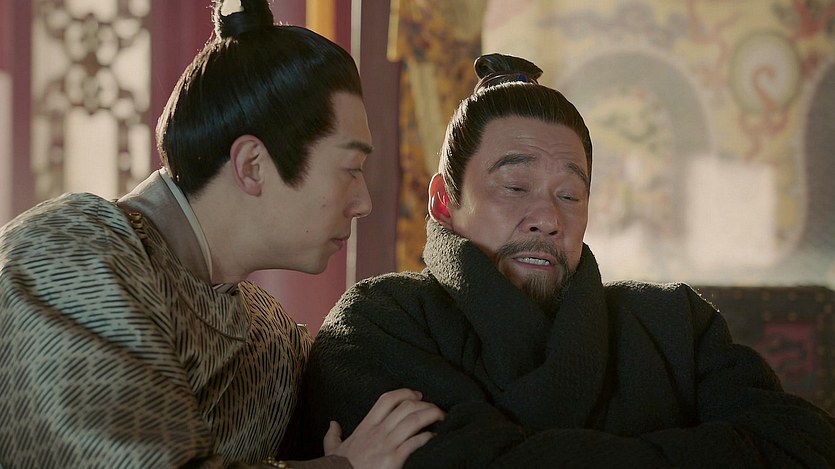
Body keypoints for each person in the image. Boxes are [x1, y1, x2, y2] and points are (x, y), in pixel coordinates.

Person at [298, 53, 835, 467]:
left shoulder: (674, 325)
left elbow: (803, 444)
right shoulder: (380, 320)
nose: (547, 218)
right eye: (515, 186)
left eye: (570, 195)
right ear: (444, 201)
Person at [0, 0, 444, 467]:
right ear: (252, 165)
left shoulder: (269, 335)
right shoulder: (68, 255)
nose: (363, 203)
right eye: (350, 168)